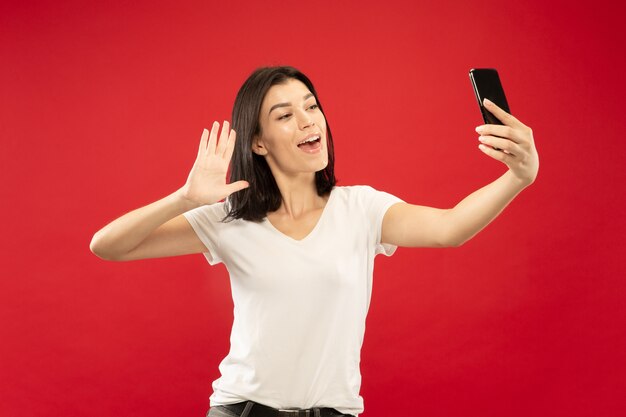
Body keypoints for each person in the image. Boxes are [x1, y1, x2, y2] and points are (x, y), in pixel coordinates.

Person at [90, 66, 539, 417]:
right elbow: (108, 245)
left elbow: (451, 228)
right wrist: (183, 198)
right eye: (285, 116)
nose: (308, 121)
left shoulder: (360, 209)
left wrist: (519, 177)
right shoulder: (232, 217)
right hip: (243, 411)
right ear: (259, 144)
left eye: (311, 106)